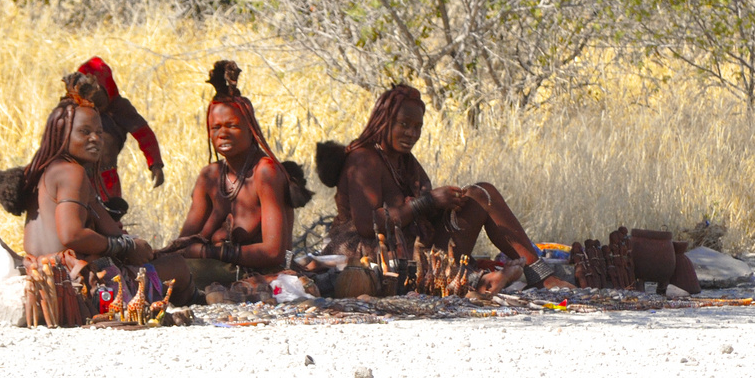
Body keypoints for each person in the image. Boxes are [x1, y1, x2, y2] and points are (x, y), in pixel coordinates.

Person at [317, 84, 570, 294]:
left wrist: (445, 205)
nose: (411, 133)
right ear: (384, 121)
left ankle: (541, 276)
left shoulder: (404, 161)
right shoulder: (364, 158)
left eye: (417, 127)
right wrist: (426, 202)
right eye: (404, 124)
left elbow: (419, 212)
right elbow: (367, 225)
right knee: (412, 267)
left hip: (415, 249)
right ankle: (481, 281)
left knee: (481, 194)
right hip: (373, 258)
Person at [0, 74, 192, 304]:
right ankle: (193, 303)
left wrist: (133, 245)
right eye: (85, 132)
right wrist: (125, 246)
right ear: (62, 134)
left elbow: (110, 230)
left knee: (157, 261)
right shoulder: (71, 172)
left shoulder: (40, 171)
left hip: (43, 279)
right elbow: (72, 234)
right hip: (75, 286)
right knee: (177, 265)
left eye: (99, 132)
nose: (96, 139)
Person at [164, 61, 311, 289]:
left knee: (171, 274)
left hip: (259, 275)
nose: (222, 134)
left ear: (250, 130)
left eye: (231, 126)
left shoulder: (266, 172)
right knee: (158, 269)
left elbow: (273, 252)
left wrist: (211, 251)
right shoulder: (210, 176)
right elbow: (184, 243)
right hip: (216, 268)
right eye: (216, 128)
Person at [74, 57, 164, 218]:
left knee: (110, 218)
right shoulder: (73, 108)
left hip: (107, 177)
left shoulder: (120, 108)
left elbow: (144, 134)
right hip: (77, 175)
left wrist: (155, 163)